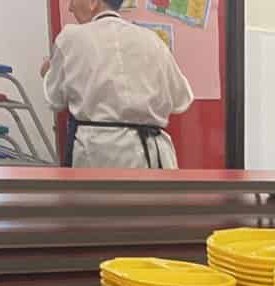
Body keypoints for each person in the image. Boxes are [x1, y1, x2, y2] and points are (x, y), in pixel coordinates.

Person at [43, 0, 193, 169]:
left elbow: (54, 100)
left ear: (93, 2)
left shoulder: (71, 38)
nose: (70, 8)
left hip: (98, 155)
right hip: (153, 157)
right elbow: (182, 100)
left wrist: (47, 73)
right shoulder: (153, 39)